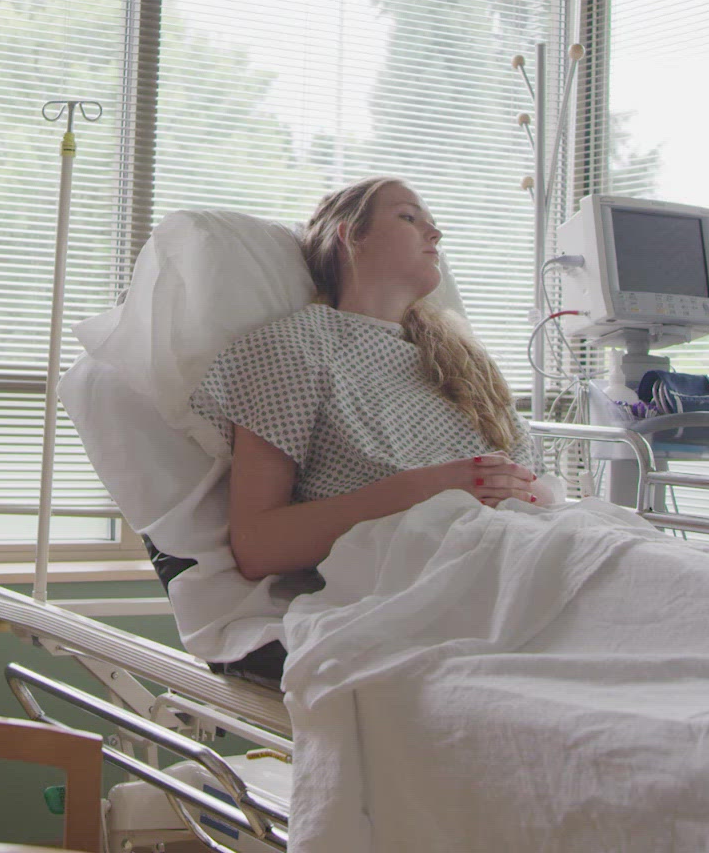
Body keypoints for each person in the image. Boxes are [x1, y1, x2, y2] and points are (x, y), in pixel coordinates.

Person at [189, 177, 548, 684]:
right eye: (409, 217)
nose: (435, 232)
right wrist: (429, 489)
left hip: (539, 555)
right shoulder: (292, 349)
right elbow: (257, 546)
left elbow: (538, 486)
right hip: (445, 586)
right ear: (348, 236)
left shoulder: (466, 365)